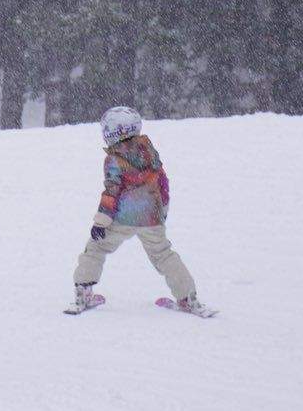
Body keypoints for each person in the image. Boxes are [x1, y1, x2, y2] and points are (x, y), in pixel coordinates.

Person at [70, 106, 208, 315]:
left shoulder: (114, 158)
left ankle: (83, 293)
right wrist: (163, 208)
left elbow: (111, 190)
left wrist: (101, 222)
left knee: (96, 248)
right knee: (163, 254)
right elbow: (162, 181)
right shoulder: (149, 152)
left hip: (122, 218)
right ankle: (187, 297)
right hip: (151, 216)